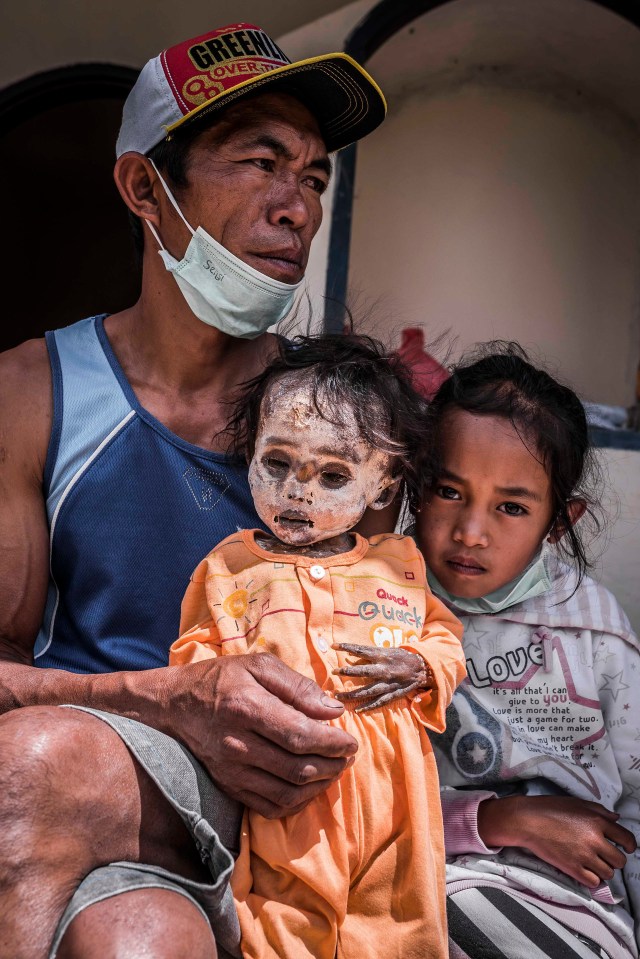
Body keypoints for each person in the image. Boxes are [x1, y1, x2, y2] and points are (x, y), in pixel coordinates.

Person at [0, 23, 390, 959]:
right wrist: (169, 699)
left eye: (312, 177)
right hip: (97, 784)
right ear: (145, 188)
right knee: (44, 795)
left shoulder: (343, 420)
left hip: (298, 810)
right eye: (261, 162)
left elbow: (394, 637)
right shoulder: (30, 393)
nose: (296, 205)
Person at [169, 333, 467, 958]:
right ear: (248, 456)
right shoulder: (228, 568)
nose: (298, 492)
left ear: (383, 486)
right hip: (286, 797)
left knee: (398, 930)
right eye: (276, 464)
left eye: (334, 475)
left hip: (397, 805)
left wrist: (420, 664)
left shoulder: (399, 566)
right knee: (280, 927)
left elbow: (445, 636)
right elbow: (195, 660)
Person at [414, 345, 640, 959]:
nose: (471, 531)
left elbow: (636, 801)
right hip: (426, 881)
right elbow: (362, 799)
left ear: (559, 522)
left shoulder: (597, 632)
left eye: (511, 507)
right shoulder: (381, 610)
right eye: (448, 491)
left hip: (573, 908)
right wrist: (495, 822)